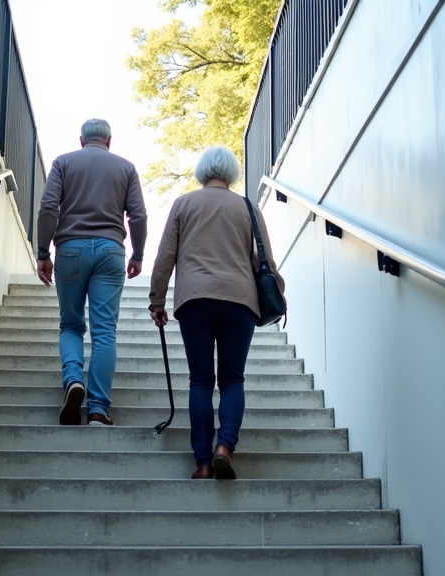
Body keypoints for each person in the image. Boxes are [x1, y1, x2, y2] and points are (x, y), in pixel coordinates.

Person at [148, 146, 286, 479]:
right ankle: (225, 445)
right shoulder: (247, 207)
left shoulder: (183, 204)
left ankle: (204, 462)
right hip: (239, 301)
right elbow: (262, 258)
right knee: (232, 379)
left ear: (201, 171)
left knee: (200, 381)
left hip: (194, 299)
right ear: (231, 173)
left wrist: (157, 301)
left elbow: (165, 258)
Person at [37, 118, 147, 426]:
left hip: (70, 249)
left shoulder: (63, 163)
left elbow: (48, 208)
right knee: (104, 331)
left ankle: (74, 379)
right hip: (111, 251)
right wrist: (138, 253)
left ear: (82, 140)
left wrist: (43, 253)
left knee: (71, 325)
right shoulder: (125, 167)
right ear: (109, 140)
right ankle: (98, 409)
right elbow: (138, 215)